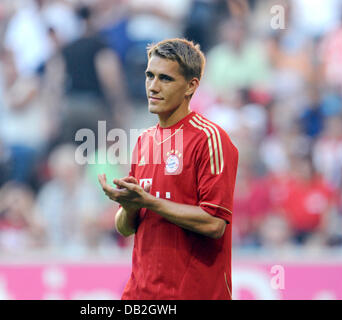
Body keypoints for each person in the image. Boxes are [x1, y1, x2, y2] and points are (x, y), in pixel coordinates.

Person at [98, 38, 239, 299]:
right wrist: (129, 205)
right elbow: (126, 228)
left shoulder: (211, 139)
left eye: (165, 79)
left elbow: (214, 223)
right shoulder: (144, 141)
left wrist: (149, 202)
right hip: (141, 295)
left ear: (191, 86)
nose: (153, 86)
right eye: (149, 76)